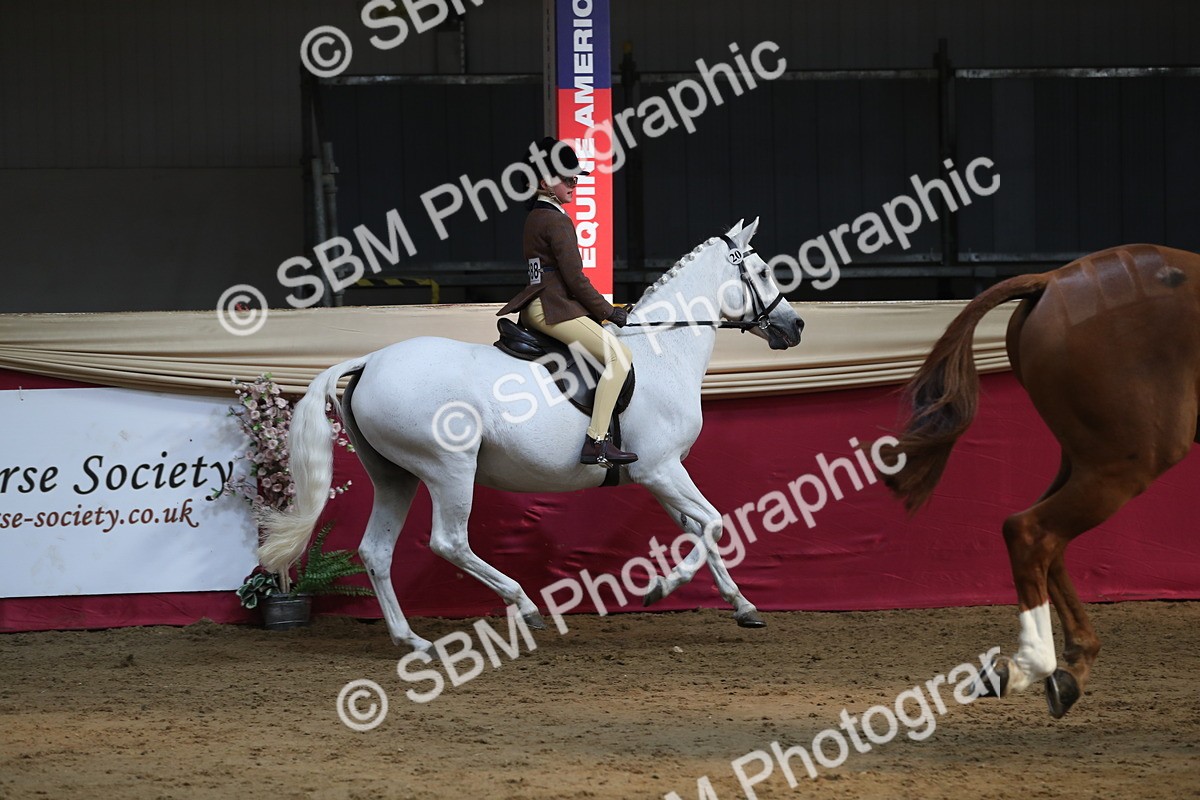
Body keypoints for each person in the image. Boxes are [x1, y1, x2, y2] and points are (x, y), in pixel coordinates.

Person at [497, 137, 637, 466]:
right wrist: (609, 312)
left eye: (576, 178)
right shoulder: (556, 221)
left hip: (538, 304)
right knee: (620, 356)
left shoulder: (536, 217)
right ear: (545, 182)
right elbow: (575, 280)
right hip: (551, 308)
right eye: (568, 178)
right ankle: (597, 441)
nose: (575, 184)